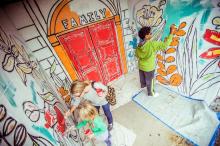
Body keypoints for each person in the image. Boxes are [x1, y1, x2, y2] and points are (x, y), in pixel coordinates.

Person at [135, 25, 176, 97]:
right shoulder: (152, 44)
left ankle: (143, 86)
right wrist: (171, 33)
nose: (151, 34)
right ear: (146, 36)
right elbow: (165, 46)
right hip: (149, 67)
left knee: (143, 78)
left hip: (141, 66)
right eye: (150, 33)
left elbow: (137, 55)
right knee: (150, 80)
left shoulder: (139, 45)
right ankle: (151, 93)